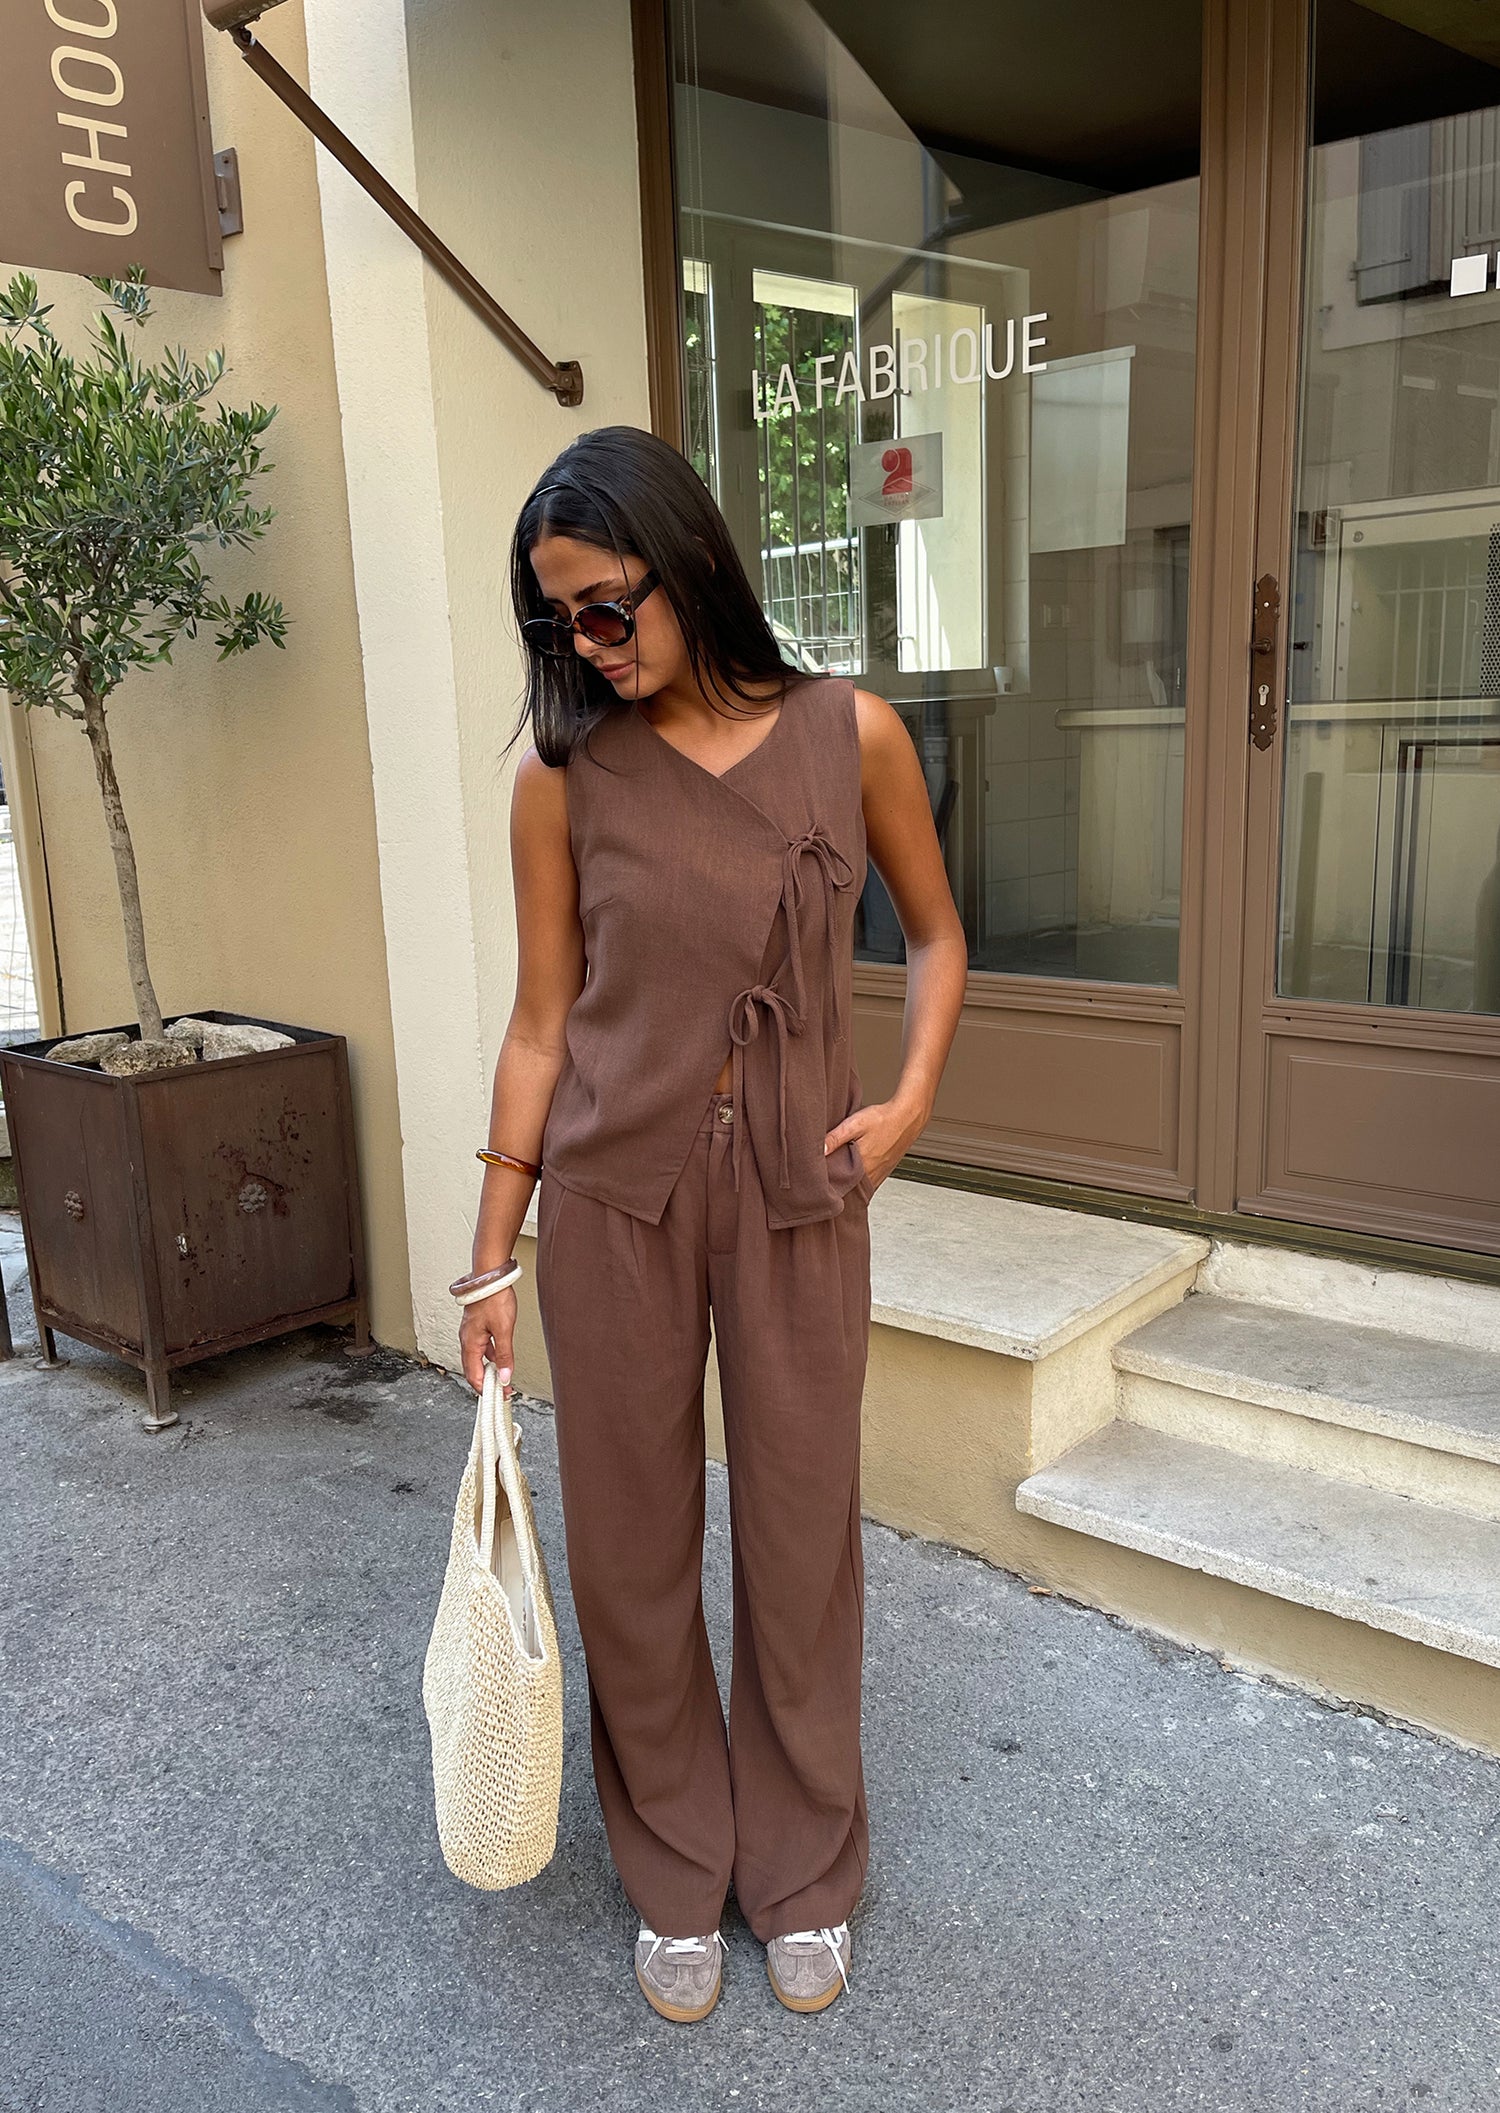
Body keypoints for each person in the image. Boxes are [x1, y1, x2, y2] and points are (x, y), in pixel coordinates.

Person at [456, 425, 966, 2022]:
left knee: (802, 1535)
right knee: (630, 1544)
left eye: (606, 608)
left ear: (686, 565)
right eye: (556, 622)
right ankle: (677, 1860)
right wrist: (490, 1256)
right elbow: (542, 1023)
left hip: (800, 1190)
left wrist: (912, 1096)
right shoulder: (560, 780)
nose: (586, 647)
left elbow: (938, 934)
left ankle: (802, 1867)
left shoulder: (849, 734)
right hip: (616, 1196)